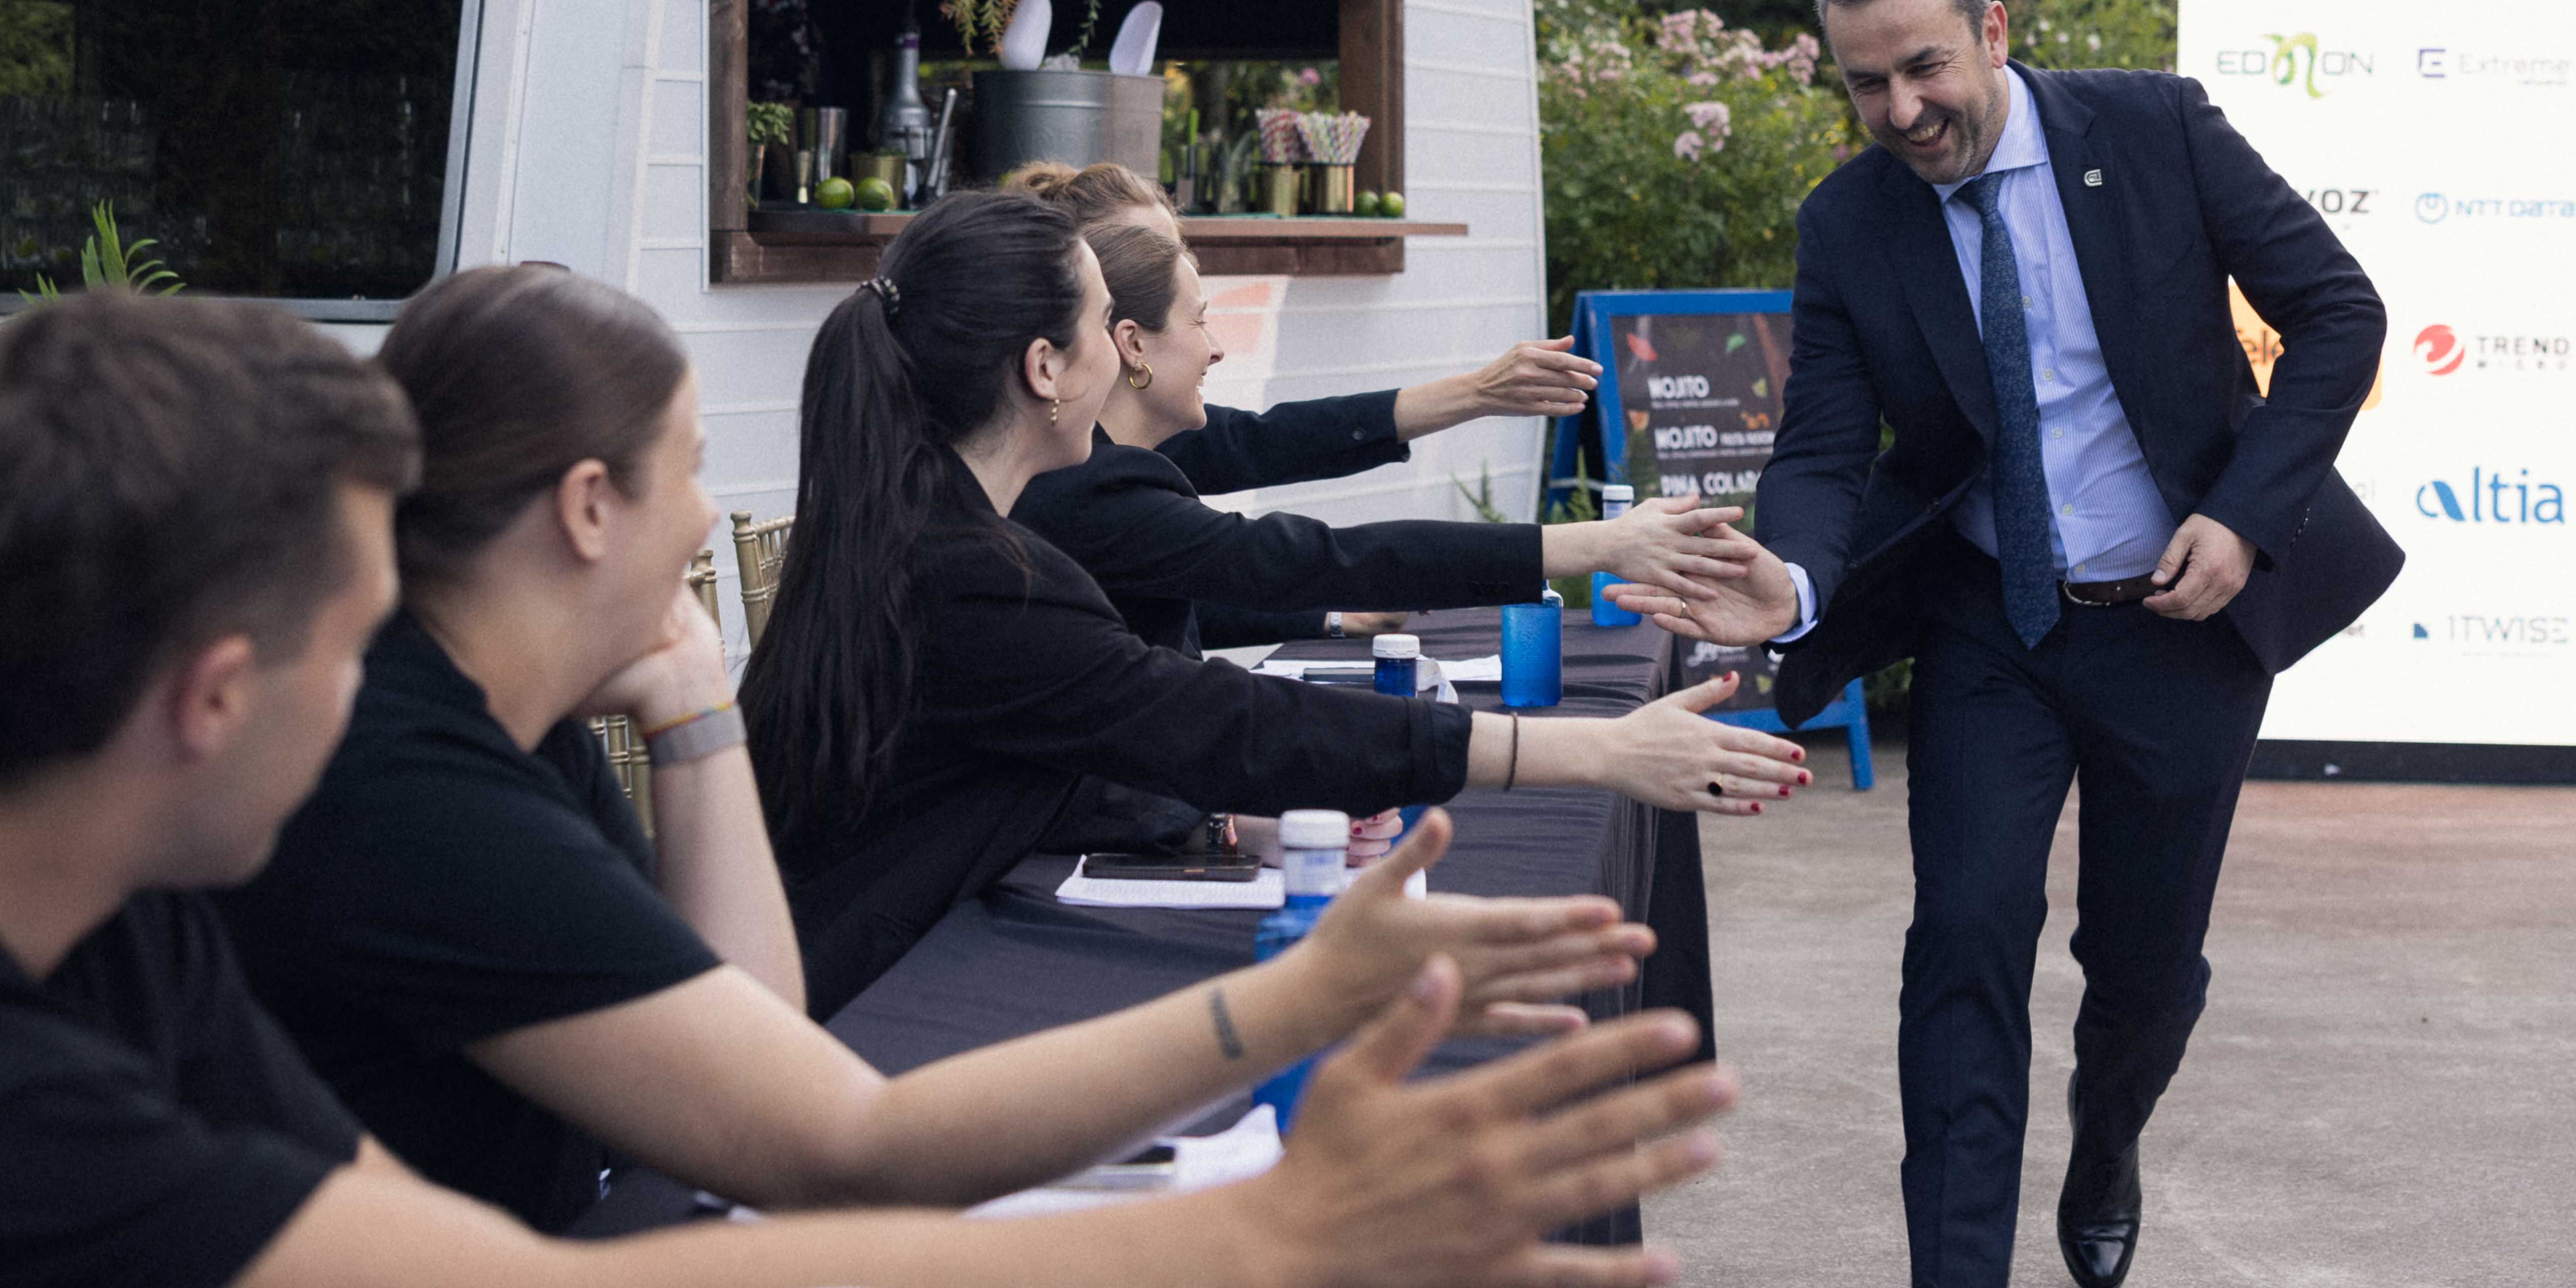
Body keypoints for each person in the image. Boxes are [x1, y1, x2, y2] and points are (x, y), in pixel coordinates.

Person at [0, 290, 1734, 1288]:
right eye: (359, 638)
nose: (381, 680)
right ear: (213, 699)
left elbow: (414, 1237)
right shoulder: (282, 869)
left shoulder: (128, 908)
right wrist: (1281, 1237)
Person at [222, 265, 1653, 1234]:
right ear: (591, 506)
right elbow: (819, 1134)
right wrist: (1288, 1020)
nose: (705, 516)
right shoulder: (416, 780)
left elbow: (750, 1025)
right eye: (691, 467)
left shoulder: (500, 727)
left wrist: (698, 710)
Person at [1618, 0, 2399, 1288]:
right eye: (1866, 84)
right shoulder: (1852, 223)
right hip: (1995, 624)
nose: (1903, 109)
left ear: (1990, 31)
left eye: (1923, 66)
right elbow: (1825, 449)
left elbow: (2340, 314)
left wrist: (2246, 514)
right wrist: (1792, 581)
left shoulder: (2154, 130)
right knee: (1963, 932)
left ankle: (2108, 1133)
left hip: (2180, 619)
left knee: (2143, 970)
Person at [736, 193, 1811, 1013]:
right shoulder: (981, 569)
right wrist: (1597, 750)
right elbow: (1224, 720)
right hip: (844, 1008)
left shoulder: (923, 523)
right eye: (1108, 322)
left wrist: (1212, 819)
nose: (1201, 344)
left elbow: (1054, 744)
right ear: (1047, 368)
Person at [1016, 216, 1758, 659]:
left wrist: (1474, 394)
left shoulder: (1091, 466)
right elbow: (1306, 555)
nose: (1217, 348)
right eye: (1201, 318)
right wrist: (1598, 544)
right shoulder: (1091, 485)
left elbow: (1273, 465)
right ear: (1130, 341)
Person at [1037, 161, 1606, 507]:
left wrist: (1479, 392)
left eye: (1173, 248)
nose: (1174, 268)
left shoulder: (1108, 438)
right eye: (1145, 254)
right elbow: (1272, 548)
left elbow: (1268, 443)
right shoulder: (1073, 468)